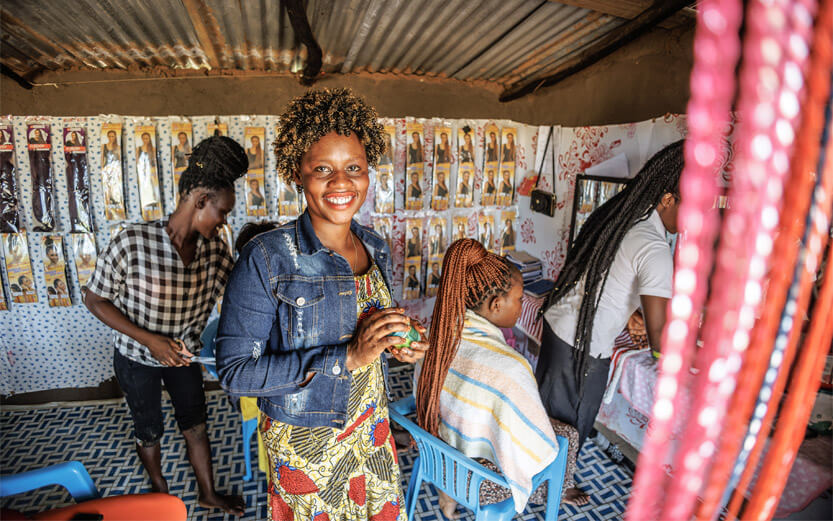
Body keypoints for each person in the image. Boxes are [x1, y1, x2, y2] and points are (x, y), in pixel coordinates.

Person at [215, 88, 428, 521]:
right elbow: (235, 373)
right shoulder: (267, 257)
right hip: (309, 446)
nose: (341, 183)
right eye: (323, 169)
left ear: (368, 172)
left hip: (371, 430)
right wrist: (347, 356)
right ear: (298, 173)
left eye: (353, 167)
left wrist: (397, 345)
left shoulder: (375, 246)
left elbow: (369, 332)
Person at [84, 134, 248, 516]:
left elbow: (242, 292)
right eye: (222, 212)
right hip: (135, 358)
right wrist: (151, 341)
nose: (225, 221)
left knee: (195, 423)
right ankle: (160, 494)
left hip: (182, 358)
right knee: (149, 428)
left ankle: (207, 493)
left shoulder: (214, 251)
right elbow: (95, 299)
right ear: (200, 201)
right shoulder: (133, 242)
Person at [536, 140, 684, 496]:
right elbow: (661, 338)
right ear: (667, 199)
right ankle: (550, 487)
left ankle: (544, 477)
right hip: (581, 346)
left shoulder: (625, 217)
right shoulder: (655, 247)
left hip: (561, 326)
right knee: (573, 423)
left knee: (547, 415)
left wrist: (633, 315)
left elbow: (607, 279)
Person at [416, 239, 587, 517]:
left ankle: (446, 497)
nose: (522, 307)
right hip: (479, 482)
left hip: (435, 457)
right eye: (520, 299)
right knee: (566, 435)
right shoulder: (511, 369)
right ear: (496, 304)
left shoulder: (438, 334)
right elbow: (532, 440)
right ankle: (557, 490)